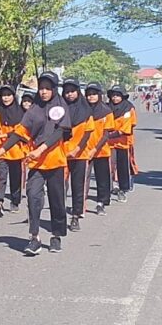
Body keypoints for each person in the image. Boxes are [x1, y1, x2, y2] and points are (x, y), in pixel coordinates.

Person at [0, 71, 71, 256]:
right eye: (41, 88)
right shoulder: (33, 109)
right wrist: (1, 151)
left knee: (57, 201)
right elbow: (20, 132)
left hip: (55, 161)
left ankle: (56, 235)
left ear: (54, 90)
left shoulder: (61, 106)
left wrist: (41, 149)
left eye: (48, 89)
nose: (44, 92)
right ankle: (34, 238)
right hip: (35, 164)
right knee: (33, 198)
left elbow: (60, 132)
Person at [61, 77, 94, 232]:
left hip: (79, 154)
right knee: (59, 186)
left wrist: (77, 149)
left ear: (78, 92)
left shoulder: (86, 110)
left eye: (72, 91)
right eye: (67, 92)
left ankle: (75, 215)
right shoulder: (58, 109)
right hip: (61, 154)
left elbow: (88, 133)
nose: (69, 95)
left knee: (77, 185)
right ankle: (60, 215)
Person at [0, 85, 25, 214]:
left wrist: (4, 135)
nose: (6, 98)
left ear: (14, 96)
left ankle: (15, 200)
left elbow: (19, 132)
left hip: (16, 150)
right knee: (1, 175)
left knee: (15, 177)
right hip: (1, 150)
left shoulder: (20, 113)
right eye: (3, 95)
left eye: (8, 95)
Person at [84, 82, 114, 215]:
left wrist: (95, 149)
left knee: (102, 178)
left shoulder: (106, 111)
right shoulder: (82, 111)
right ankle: (80, 205)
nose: (91, 97)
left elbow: (106, 134)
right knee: (83, 178)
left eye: (94, 94)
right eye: (89, 94)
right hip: (84, 150)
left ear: (99, 95)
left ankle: (101, 202)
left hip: (101, 150)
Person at [106, 84, 137, 201]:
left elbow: (128, 127)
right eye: (113, 95)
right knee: (110, 166)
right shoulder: (106, 108)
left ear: (123, 96)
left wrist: (110, 134)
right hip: (108, 143)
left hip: (123, 142)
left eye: (118, 95)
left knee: (124, 166)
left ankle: (124, 188)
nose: (115, 98)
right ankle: (113, 186)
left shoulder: (129, 108)